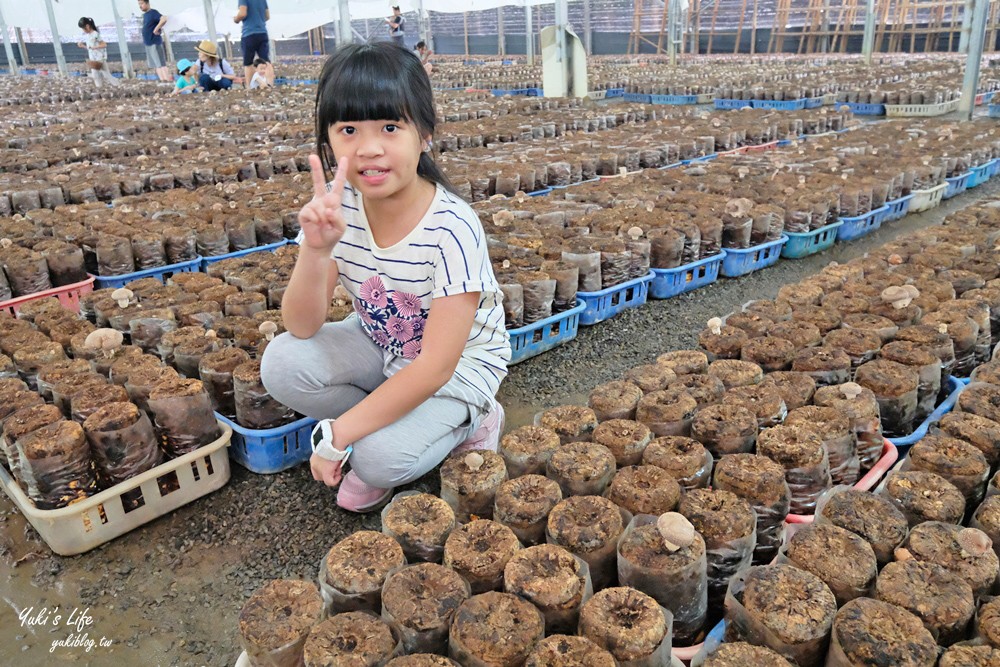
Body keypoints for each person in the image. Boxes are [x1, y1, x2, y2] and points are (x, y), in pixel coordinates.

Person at [260, 42, 510, 513]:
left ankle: (474, 419)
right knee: (282, 363)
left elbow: (436, 366)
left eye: (391, 127)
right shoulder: (341, 209)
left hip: (459, 366)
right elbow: (302, 326)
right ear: (328, 140)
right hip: (384, 343)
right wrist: (316, 251)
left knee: (375, 458)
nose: (369, 148)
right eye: (349, 129)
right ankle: (394, 414)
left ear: (425, 135)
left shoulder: (452, 227)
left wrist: (340, 434)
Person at [234, 0, 274, 88]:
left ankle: (250, 87)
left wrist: (236, 19)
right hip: (262, 32)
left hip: (249, 33)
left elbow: (242, 13)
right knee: (266, 61)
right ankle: (270, 85)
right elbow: (267, 16)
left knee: (248, 63)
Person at [77, 17, 121, 89]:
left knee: (105, 74)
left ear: (87, 26)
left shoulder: (95, 34)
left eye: (83, 28)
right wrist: (83, 46)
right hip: (93, 58)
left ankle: (116, 84)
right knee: (96, 75)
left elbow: (104, 44)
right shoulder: (88, 36)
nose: (83, 30)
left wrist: (94, 47)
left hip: (99, 58)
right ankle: (101, 87)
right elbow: (90, 48)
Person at [138, 1, 171, 82]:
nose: (140, 6)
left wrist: (156, 28)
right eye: (139, 4)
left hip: (154, 42)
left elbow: (164, 18)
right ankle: (162, 81)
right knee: (156, 65)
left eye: (142, 4)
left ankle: (166, 80)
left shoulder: (153, 13)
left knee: (161, 64)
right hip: (148, 43)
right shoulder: (145, 15)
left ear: (147, 3)